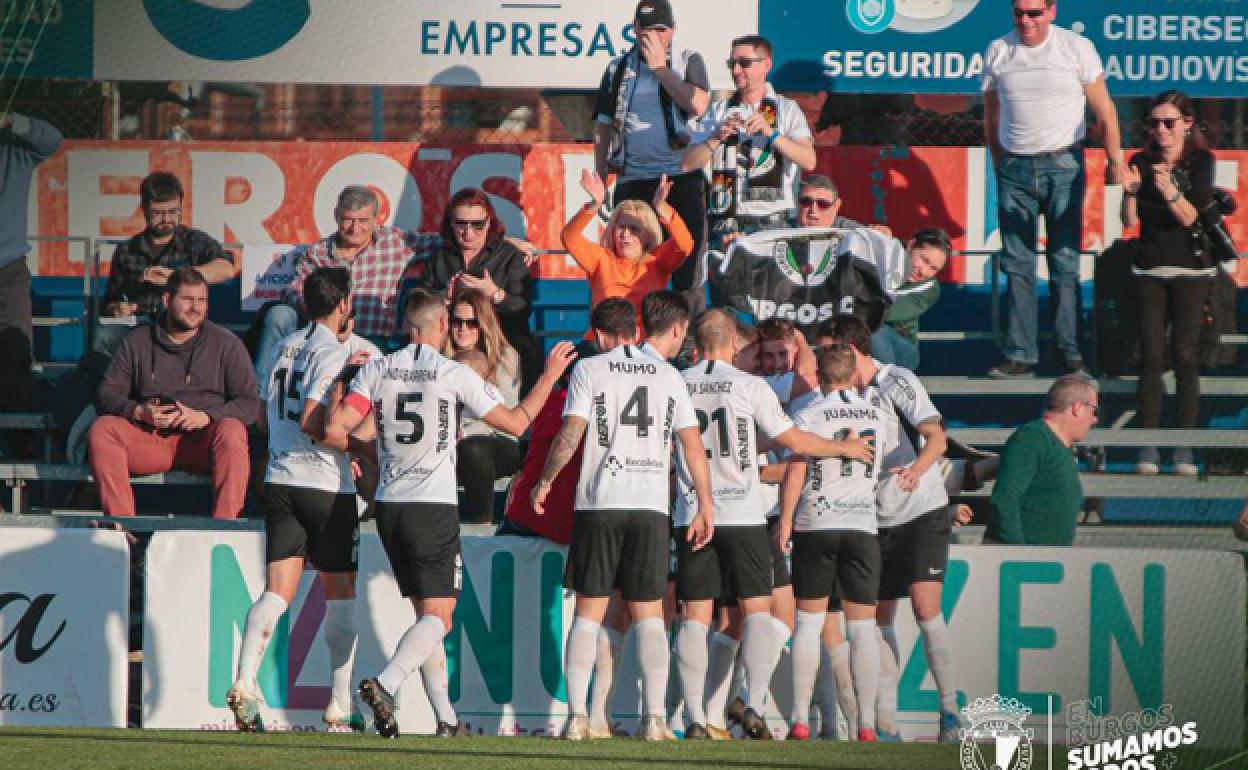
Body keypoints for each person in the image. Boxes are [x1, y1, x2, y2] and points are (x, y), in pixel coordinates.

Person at [324, 289, 575, 739]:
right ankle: (385, 683)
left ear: (407, 326)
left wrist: (370, 447)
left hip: (389, 507)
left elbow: (337, 427)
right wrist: (550, 375)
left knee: (426, 615)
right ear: (441, 326)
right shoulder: (450, 372)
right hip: (431, 507)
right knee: (439, 617)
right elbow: (518, 423)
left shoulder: (379, 368)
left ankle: (446, 719)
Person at [673, 310, 873, 740]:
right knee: (757, 608)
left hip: (692, 510)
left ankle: (694, 718)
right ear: (732, 343)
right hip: (743, 511)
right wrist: (843, 448)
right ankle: (755, 703)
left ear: (697, 344)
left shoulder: (678, 382)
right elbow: (793, 441)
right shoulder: (750, 386)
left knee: (696, 613)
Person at [532, 290, 713, 742]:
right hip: (650, 502)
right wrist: (706, 504)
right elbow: (692, 446)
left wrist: (546, 480)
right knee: (650, 611)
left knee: (590, 609)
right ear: (635, 332)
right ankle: (654, 719)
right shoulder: (669, 375)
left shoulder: (589, 369)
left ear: (595, 335)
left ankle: (577, 718)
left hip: (600, 500)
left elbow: (572, 430)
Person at [227, 267, 368, 733]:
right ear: (344, 303)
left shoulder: (285, 346)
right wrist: (361, 446)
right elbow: (315, 421)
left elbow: (267, 419)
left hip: (282, 479)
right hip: (325, 485)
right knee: (341, 595)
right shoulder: (333, 351)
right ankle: (339, 705)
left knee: (276, 591)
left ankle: (245, 682)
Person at [815, 314, 961, 744]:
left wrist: (916, 470)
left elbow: (937, 437)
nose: (820, 357)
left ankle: (950, 711)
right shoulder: (834, 392)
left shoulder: (897, 381)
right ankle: (886, 722)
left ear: (850, 349)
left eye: (826, 347)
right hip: (871, 514)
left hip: (920, 506)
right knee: (878, 618)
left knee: (924, 604)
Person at [497, 298, 638, 739]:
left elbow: (525, 433)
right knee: (610, 615)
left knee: (547, 620)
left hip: (548, 519)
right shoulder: (629, 391)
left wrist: (549, 376)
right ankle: (600, 715)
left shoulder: (565, 394)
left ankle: (586, 715)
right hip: (580, 520)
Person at [983, 0, 1123, 378]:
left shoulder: (1076, 48)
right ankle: (1021, 354)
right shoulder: (999, 50)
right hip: (1014, 165)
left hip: (1063, 164)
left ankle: (1070, 353)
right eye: (1019, 13)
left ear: (1052, 11)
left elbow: (1105, 110)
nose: (1026, 21)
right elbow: (991, 113)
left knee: (1064, 261)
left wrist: (1115, 161)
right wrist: (1000, 162)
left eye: (1034, 13)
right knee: (1017, 263)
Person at [774, 342, 886, 743]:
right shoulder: (878, 414)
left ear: (819, 376)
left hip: (816, 522)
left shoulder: (808, 412)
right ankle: (867, 724)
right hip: (861, 523)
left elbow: (796, 470)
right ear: (855, 375)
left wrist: (785, 521)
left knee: (808, 624)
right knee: (862, 629)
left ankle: (801, 719)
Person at [89, 268, 261, 519]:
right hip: (151, 438)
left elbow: (250, 403)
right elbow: (106, 393)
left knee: (233, 430)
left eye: (202, 301)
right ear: (167, 301)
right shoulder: (137, 341)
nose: (196, 308)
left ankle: (226, 530)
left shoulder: (226, 343)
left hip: (202, 441)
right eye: (187, 300)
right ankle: (123, 529)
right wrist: (139, 411)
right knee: (103, 429)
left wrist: (207, 417)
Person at [1120, 91, 1216, 476]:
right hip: (1150, 268)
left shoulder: (1200, 162)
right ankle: (1148, 445)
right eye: (1155, 123)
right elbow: (1128, 222)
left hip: (1192, 269)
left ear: (1187, 124)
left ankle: (1184, 447)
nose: (1161, 130)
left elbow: (1194, 218)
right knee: (1152, 357)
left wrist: (1168, 188)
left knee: (1186, 356)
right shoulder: (1140, 161)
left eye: (1169, 123)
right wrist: (1129, 193)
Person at [594, 0, 710, 301]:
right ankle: (633, 333)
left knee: (687, 264)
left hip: (680, 176)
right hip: (633, 177)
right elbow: (603, 125)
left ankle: (685, 342)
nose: (652, 36)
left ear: (672, 30)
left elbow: (697, 104)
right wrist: (601, 173)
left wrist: (660, 68)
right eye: (645, 29)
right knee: (631, 264)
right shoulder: (618, 67)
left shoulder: (687, 60)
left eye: (660, 30)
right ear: (634, 29)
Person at [255, 185, 426, 385]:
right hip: (326, 339)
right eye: (348, 220)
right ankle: (258, 393)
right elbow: (292, 291)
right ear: (336, 216)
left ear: (377, 219)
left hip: (375, 339)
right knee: (280, 315)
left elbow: (450, 243)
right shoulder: (318, 253)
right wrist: (325, 312)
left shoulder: (397, 242)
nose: (355, 229)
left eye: (363, 221)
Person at [683, 35, 816, 246]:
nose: (736, 71)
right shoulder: (719, 110)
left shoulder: (786, 109)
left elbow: (809, 160)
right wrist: (716, 137)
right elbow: (687, 163)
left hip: (772, 224)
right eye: (732, 64)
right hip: (725, 224)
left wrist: (771, 133)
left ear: (766, 65)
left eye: (744, 63)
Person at [416, 187, 541, 393]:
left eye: (477, 225)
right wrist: (443, 298)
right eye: (461, 224)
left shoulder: (508, 255)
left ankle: (518, 417)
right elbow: (419, 304)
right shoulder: (440, 257)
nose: (469, 233)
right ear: (451, 223)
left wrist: (495, 293)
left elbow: (522, 308)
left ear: (489, 222)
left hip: (500, 337)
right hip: (454, 338)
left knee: (525, 351)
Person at [98, 171, 235, 356]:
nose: (167, 220)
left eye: (173, 212)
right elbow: (110, 301)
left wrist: (175, 277)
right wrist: (117, 309)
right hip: (139, 327)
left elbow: (226, 269)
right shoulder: (127, 250)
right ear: (144, 210)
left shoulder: (194, 241)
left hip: (184, 327)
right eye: (158, 213)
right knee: (104, 335)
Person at [562, 170, 693, 327]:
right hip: (605, 342)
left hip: (644, 346)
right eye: (621, 227)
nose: (625, 234)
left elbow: (685, 244)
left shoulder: (657, 260)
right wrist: (594, 205)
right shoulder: (601, 259)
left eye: (634, 229)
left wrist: (661, 206)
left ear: (648, 235)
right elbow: (569, 238)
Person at [442, 289, 524, 524]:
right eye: (456, 321)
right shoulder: (441, 359)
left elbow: (507, 414)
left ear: (485, 324)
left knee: (474, 448)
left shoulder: (506, 357)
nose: (463, 329)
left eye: (472, 323)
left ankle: (481, 520)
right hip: (448, 440)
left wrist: (465, 433)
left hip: (498, 439)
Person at [985, 374, 1096, 546]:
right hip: (1021, 564)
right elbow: (1005, 498)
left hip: (1046, 563)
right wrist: (1019, 554)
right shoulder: (1032, 438)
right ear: (1077, 408)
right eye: (1093, 410)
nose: (1094, 419)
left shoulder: (1057, 446)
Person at [0, 112, 62, 413]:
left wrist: (13, 121)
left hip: (7, 268)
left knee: (15, 354)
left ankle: (16, 439)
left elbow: (52, 140)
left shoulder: (16, 149)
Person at [871, 228, 950, 371]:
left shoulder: (930, 287)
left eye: (934, 269)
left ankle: (887, 388)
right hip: (864, 334)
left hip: (903, 347)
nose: (925, 271)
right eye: (924, 260)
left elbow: (884, 311)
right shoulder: (884, 254)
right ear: (911, 245)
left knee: (873, 328)